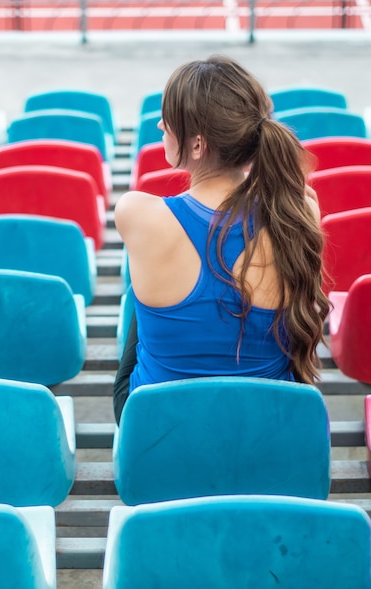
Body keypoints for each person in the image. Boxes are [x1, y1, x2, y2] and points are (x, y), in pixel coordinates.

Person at [113, 54, 330, 424]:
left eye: (170, 120)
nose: (160, 124)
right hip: (267, 427)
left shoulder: (136, 212)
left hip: (160, 431)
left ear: (197, 145)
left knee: (137, 297)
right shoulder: (299, 212)